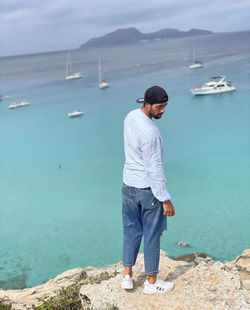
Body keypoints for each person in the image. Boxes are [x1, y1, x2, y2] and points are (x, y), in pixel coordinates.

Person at [121, 85, 175, 294]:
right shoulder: (150, 131)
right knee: (152, 235)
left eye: (165, 106)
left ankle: (127, 276)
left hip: (128, 186)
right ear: (148, 104)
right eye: (160, 107)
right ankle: (151, 283)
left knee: (130, 230)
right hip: (147, 190)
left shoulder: (130, 116)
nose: (163, 111)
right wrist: (165, 199)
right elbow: (154, 169)